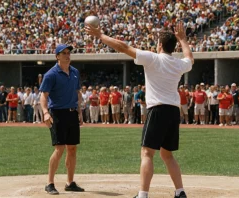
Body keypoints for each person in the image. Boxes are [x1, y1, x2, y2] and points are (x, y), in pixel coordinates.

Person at [86, 21, 193, 198]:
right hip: (173, 111)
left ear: (159, 45)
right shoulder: (179, 64)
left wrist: (100, 36)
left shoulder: (153, 58)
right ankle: (180, 192)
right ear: (173, 47)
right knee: (167, 155)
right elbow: (190, 58)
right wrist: (183, 39)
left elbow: (123, 47)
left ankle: (142, 195)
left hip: (157, 110)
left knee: (147, 153)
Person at [39, 44, 84, 195]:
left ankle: (70, 182)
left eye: (68, 52)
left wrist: (80, 112)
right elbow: (43, 96)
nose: (67, 55)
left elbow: (77, 94)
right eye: (63, 53)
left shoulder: (75, 72)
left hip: (72, 114)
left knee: (72, 148)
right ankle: (49, 183)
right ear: (57, 56)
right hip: (57, 114)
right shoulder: (51, 74)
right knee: (59, 149)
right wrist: (45, 113)